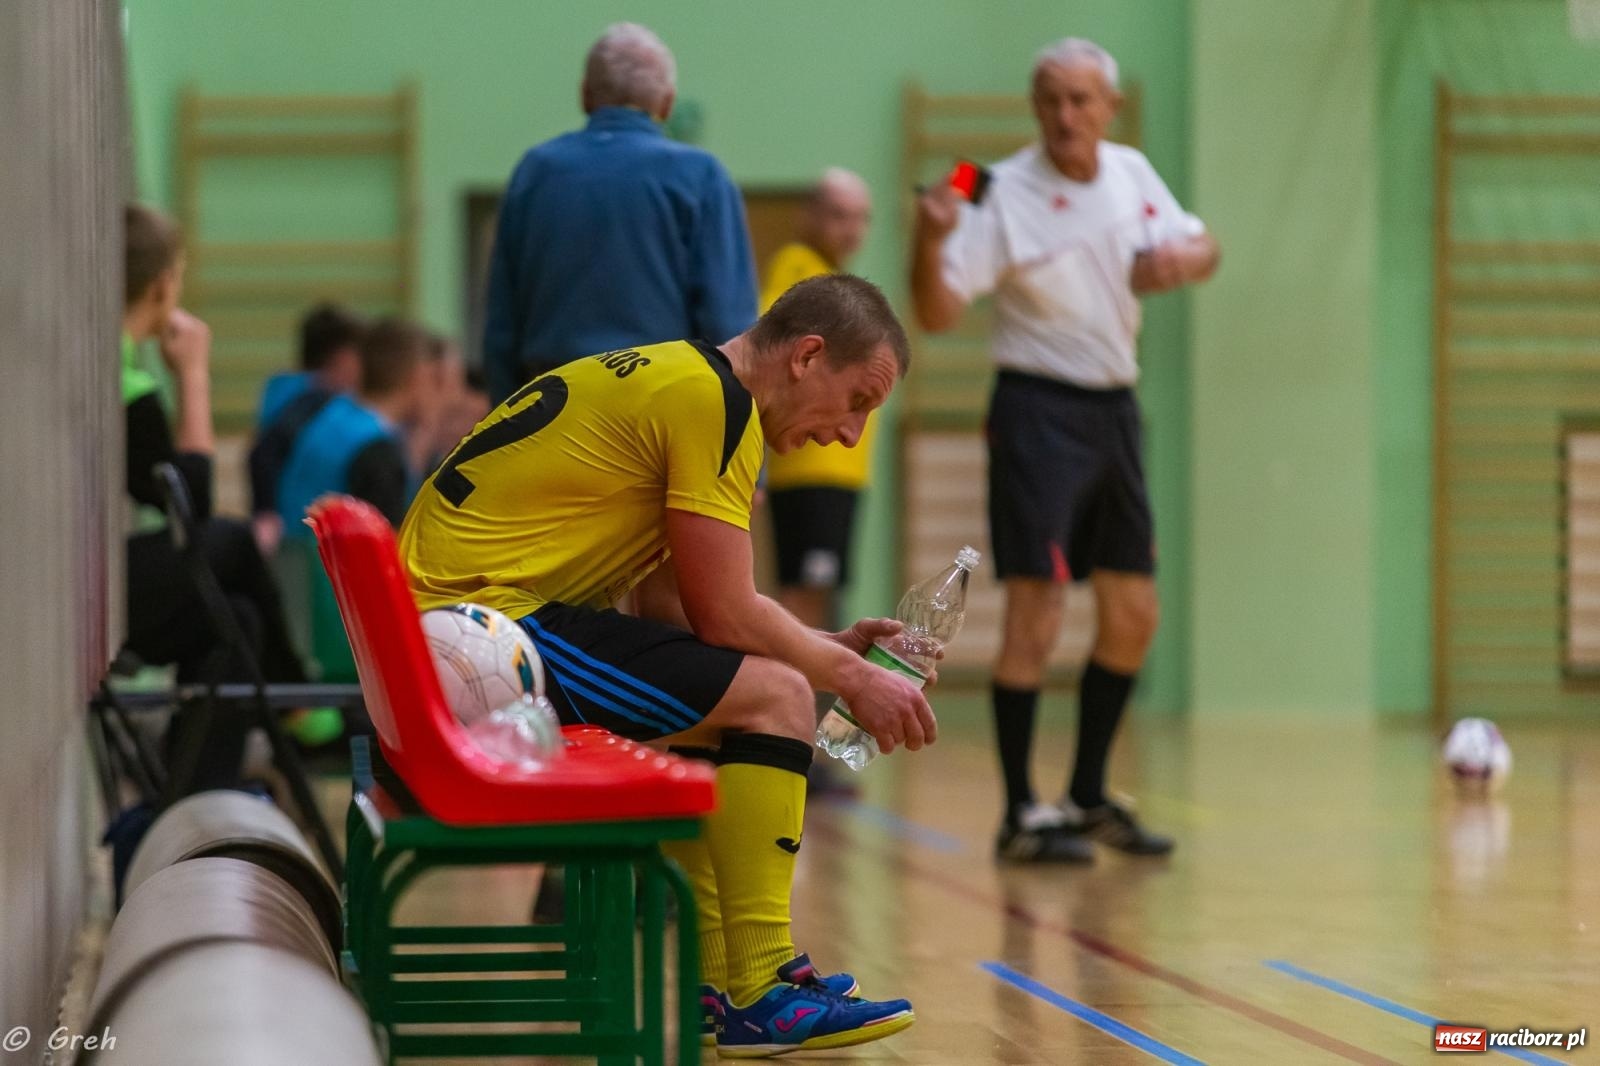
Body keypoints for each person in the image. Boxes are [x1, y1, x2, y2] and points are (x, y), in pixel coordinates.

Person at [400, 275, 927, 1055]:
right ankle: (758, 991)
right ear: (809, 357)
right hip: (476, 640)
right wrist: (848, 679)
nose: (851, 435)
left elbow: (674, 616)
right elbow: (726, 613)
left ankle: (735, 981)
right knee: (777, 696)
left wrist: (834, 645)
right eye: (859, 402)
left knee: (726, 695)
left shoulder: (680, 379)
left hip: (454, 630)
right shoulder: (716, 406)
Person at [910, 38, 1219, 864]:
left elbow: (1203, 243)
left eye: (1082, 100)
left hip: (1115, 409)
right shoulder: (996, 185)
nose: (1065, 116)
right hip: (1037, 410)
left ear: (1110, 106)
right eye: (1050, 99)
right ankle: (1020, 812)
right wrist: (926, 232)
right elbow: (938, 310)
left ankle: (1086, 794)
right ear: (1034, 104)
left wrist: (1187, 258)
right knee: (1038, 612)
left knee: (1133, 612)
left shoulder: (1132, 170)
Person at [121, 203, 307, 787]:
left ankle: (183, 799)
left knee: (240, 621)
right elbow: (190, 507)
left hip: (102, 587)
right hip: (90, 598)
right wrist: (194, 375)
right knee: (229, 539)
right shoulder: (125, 382)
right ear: (162, 285)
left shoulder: (110, 369)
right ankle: (297, 698)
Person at [481, 22, 756, 403]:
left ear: (585, 95)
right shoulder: (701, 178)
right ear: (667, 102)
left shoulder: (536, 171)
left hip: (549, 415)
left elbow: (501, 330)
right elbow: (728, 330)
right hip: (658, 416)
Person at [759, 168, 875, 631]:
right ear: (808, 216)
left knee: (820, 592)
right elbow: (775, 340)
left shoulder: (832, 279)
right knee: (805, 592)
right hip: (813, 466)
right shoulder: (798, 266)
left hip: (839, 470)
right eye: (839, 216)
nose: (852, 229)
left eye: (861, 218)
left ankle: (803, 692)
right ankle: (792, 695)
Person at [276, 318, 429, 533]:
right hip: (325, 564)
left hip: (295, 557)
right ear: (417, 377)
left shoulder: (334, 414)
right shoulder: (377, 451)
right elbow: (387, 547)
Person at [248, 303, 367, 555]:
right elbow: (263, 453)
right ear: (342, 357)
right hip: (298, 533)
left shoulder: (283, 390)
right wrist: (266, 512)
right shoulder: (314, 401)